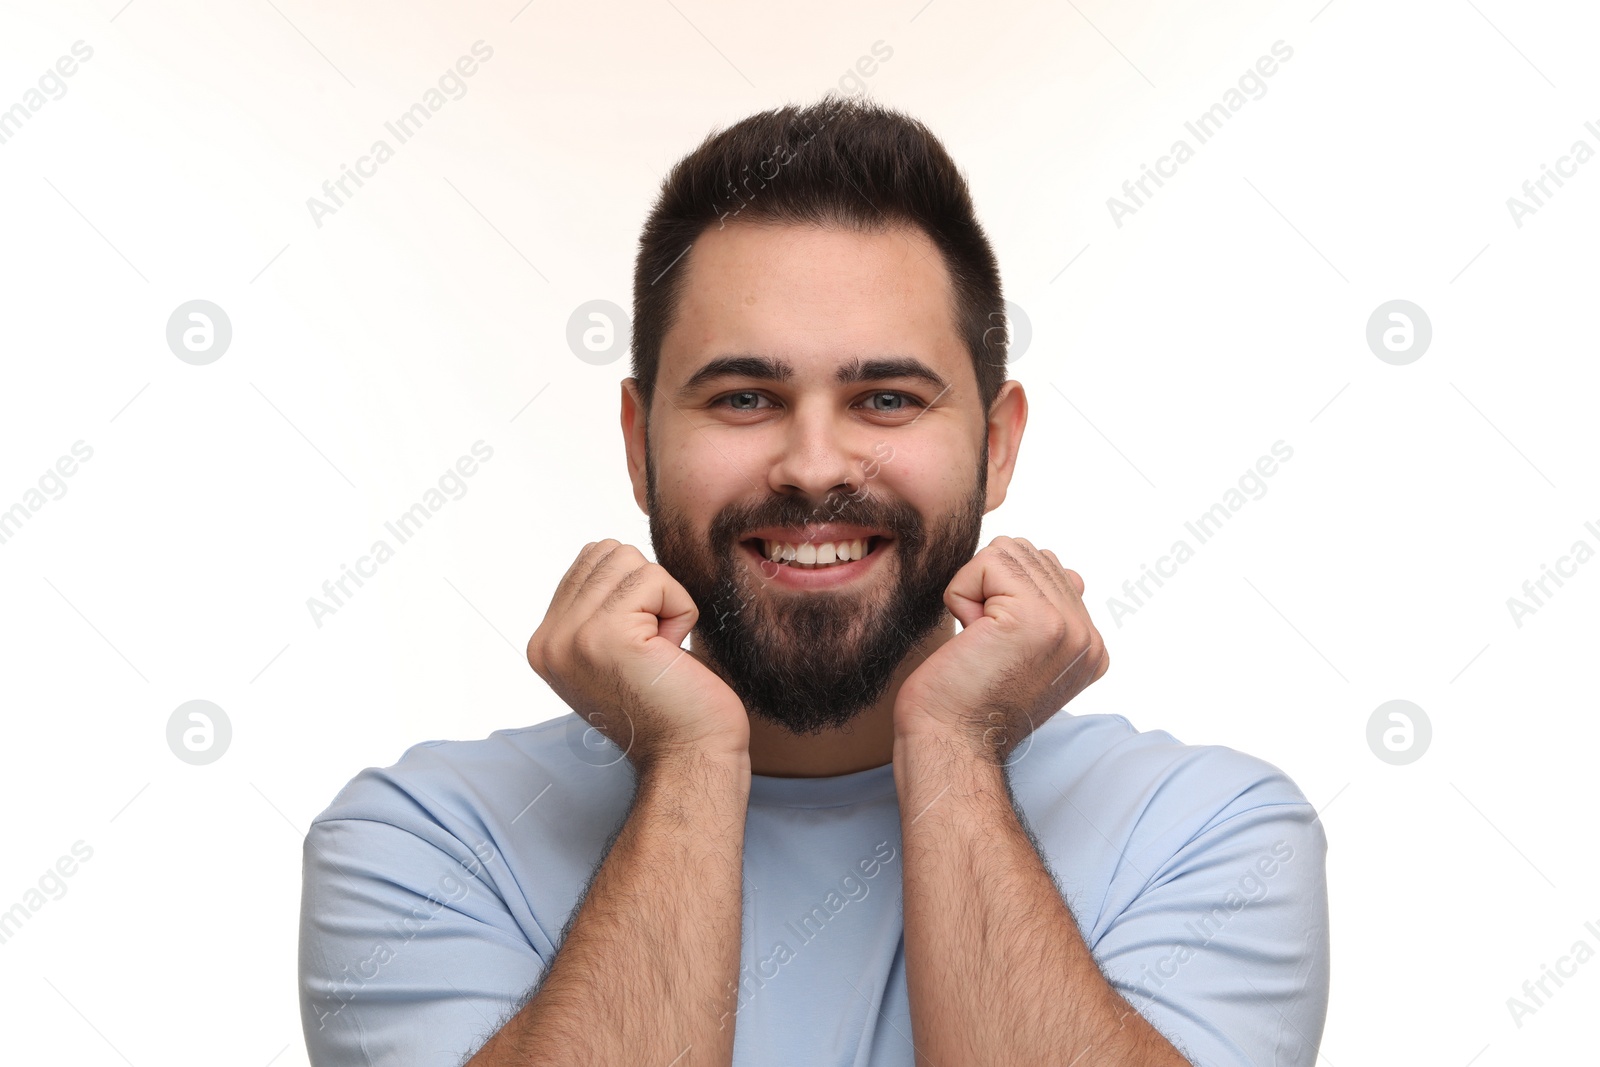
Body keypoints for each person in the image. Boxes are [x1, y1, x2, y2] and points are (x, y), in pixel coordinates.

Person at [298, 93, 1330, 1067]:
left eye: (886, 397)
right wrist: (693, 758)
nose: (813, 463)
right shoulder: (425, 842)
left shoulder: (1210, 834)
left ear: (998, 446)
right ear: (637, 443)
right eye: (744, 396)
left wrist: (955, 750)